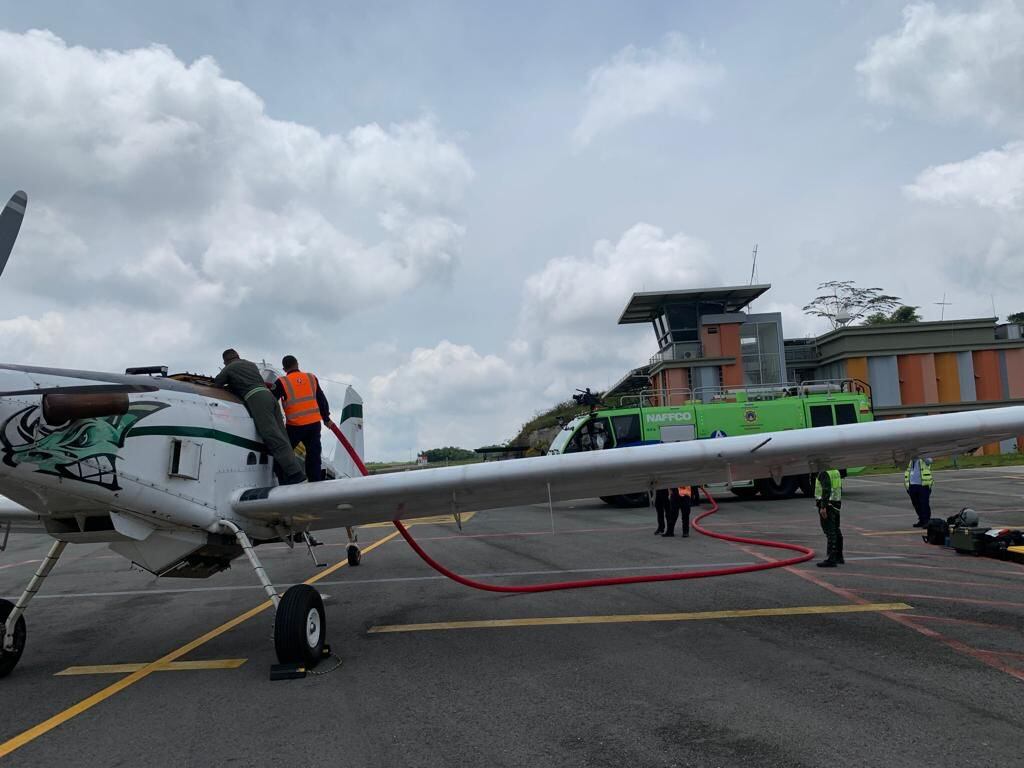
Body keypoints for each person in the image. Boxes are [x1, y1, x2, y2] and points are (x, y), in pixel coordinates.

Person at [213, 349, 305, 485]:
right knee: (283, 437)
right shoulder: (250, 364)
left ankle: (295, 474)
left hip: (256, 398)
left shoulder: (229, 368)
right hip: (270, 397)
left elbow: (217, 383)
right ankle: (286, 473)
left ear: (225, 361)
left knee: (271, 436)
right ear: (238, 356)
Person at [272, 355, 333, 482]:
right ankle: (315, 482)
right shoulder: (311, 378)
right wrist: (326, 418)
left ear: (284, 368)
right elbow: (321, 400)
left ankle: (282, 481)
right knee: (314, 455)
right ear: (297, 364)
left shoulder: (282, 382)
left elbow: (271, 401)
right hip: (314, 424)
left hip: (295, 426)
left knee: (284, 453)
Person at [814, 468, 844, 567]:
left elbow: (826, 490)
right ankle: (839, 556)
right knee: (836, 530)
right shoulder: (835, 471)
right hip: (836, 504)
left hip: (828, 506)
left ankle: (832, 559)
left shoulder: (824, 472)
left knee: (830, 531)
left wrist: (823, 507)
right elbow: (839, 488)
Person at [905, 457, 934, 528]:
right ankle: (922, 520)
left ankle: (927, 521)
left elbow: (930, 461)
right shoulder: (910, 461)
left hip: (923, 485)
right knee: (916, 504)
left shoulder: (923, 459)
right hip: (912, 486)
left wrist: (923, 457)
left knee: (924, 504)